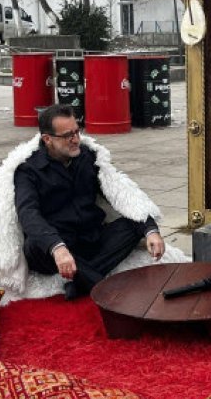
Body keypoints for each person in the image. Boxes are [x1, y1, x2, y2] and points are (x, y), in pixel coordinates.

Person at [14, 104, 165, 299]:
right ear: (47, 139)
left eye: (77, 131)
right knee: (34, 245)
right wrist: (57, 247)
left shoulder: (89, 156)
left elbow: (119, 191)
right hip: (57, 245)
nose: (76, 139)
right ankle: (104, 288)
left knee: (134, 224)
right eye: (68, 135)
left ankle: (80, 282)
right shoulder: (28, 170)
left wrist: (150, 230)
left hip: (91, 238)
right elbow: (28, 214)